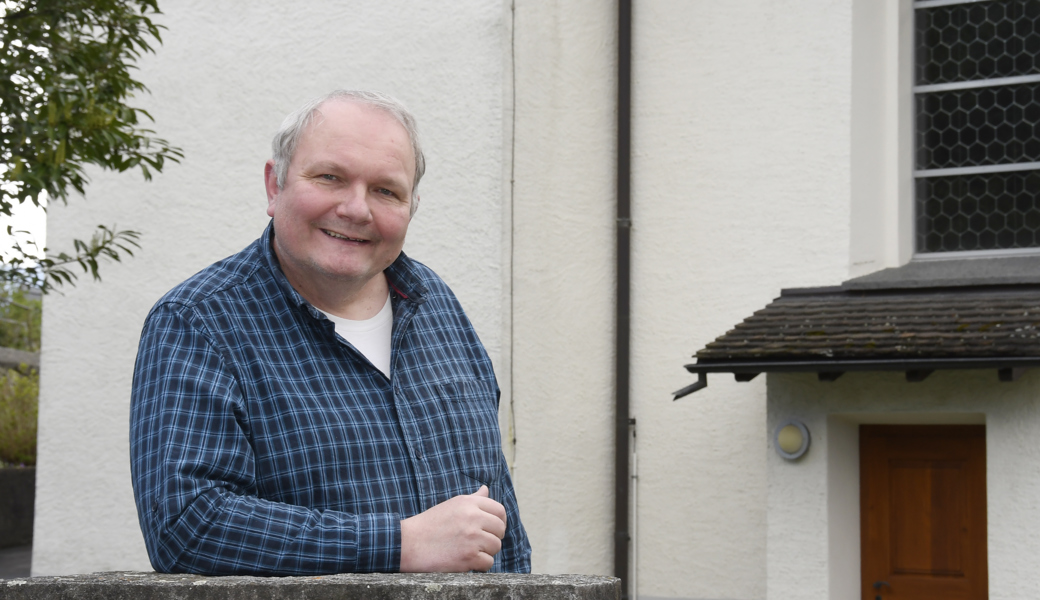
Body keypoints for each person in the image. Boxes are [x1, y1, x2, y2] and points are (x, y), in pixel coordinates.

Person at [129, 90, 531, 575]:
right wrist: (399, 544)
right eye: (330, 177)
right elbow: (189, 526)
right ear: (274, 186)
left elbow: (496, 505)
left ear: (412, 206)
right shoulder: (198, 323)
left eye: (386, 190)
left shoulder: (435, 304)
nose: (357, 209)